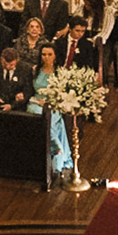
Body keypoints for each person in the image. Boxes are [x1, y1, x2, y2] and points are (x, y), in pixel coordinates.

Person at [28, 42, 73, 185]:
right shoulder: (35, 70)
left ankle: (57, 152)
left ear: (55, 56)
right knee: (37, 116)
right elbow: (31, 90)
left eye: (49, 55)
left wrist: (50, 102)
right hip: (35, 103)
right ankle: (50, 151)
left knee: (51, 121)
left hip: (53, 105)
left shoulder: (60, 72)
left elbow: (63, 94)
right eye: (43, 54)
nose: (46, 58)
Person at [0, 45, 31, 111]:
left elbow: (28, 90)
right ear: (1, 59)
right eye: (5, 64)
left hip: (16, 105)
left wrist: (12, 105)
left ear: (17, 61)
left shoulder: (25, 68)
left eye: (11, 65)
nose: (8, 67)